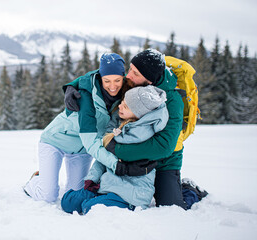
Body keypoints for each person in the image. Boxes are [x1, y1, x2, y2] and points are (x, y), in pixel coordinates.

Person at [64, 49, 208, 210]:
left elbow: (164, 147)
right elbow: (103, 75)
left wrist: (116, 149)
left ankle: (190, 190)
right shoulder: (133, 83)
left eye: (135, 73)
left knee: (172, 207)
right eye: (130, 69)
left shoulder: (172, 100)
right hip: (130, 155)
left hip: (164, 161)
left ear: (150, 81)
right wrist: (73, 86)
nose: (129, 76)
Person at [24, 53, 133, 202]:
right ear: (100, 78)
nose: (112, 86)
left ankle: (46, 181)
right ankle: (35, 180)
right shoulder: (86, 97)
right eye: (107, 80)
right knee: (48, 196)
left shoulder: (125, 95)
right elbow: (90, 140)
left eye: (117, 80)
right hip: (55, 141)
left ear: (123, 77)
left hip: (81, 151)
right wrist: (114, 164)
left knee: (73, 195)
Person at [61, 85, 168, 214]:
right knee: (69, 202)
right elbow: (104, 158)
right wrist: (92, 179)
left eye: (126, 106)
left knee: (89, 208)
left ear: (138, 115)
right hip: (108, 184)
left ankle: (123, 205)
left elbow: (112, 153)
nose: (119, 107)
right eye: (122, 102)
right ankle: (100, 198)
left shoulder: (141, 134)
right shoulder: (120, 124)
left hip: (131, 193)